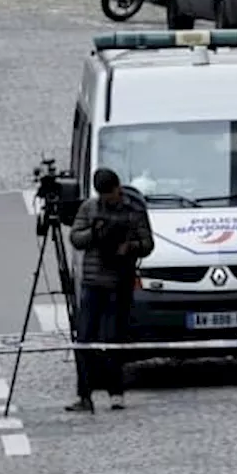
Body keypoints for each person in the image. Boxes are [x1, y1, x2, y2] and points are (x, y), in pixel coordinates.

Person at [66, 168, 154, 412]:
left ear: (118, 188)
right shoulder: (89, 209)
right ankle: (84, 394)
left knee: (112, 339)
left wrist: (131, 246)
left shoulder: (133, 210)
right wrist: (95, 232)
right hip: (93, 283)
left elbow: (148, 244)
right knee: (85, 339)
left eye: (111, 194)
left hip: (119, 282)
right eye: (102, 195)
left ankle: (116, 392)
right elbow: (75, 237)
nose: (108, 199)